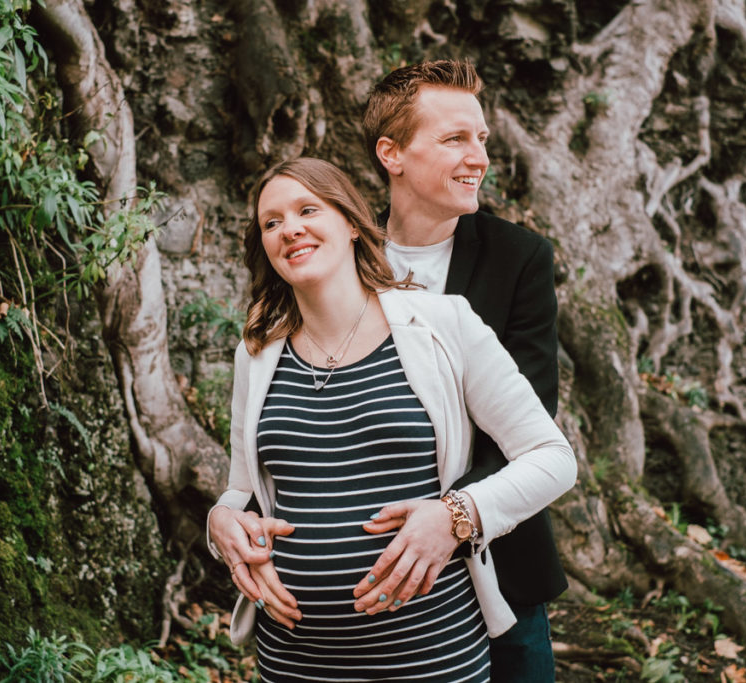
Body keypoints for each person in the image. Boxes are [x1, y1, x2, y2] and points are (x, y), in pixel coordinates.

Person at [209, 60, 568, 681]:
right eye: (456, 138)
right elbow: (253, 478)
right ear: (391, 154)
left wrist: (451, 519)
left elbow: (534, 431)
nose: (478, 157)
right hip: (301, 655)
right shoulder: (319, 254)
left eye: (482, 139)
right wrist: (223, 520)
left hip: (482, 583)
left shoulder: (511, 264)